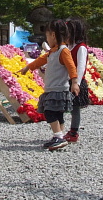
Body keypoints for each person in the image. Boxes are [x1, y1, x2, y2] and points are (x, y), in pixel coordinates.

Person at [19, 19, 80, 151]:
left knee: (49, 112)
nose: (46, 39)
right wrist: (28, 67)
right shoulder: (53, 51)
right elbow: (40, 60)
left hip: (57, 89)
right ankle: (60, 136)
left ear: (53, 35)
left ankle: (58, 137)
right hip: (53, 89)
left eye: (47, 36)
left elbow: (71, 67)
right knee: (58, 114)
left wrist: (75, 82)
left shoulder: (63, 51)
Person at [64, 17, 89, 143]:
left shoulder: (81, 47)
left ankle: (74, 132)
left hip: (76, 82)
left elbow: (81, 66)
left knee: (75, 108)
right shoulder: (69, 47)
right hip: (67, 81)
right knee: (67, 106)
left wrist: (76, 83)